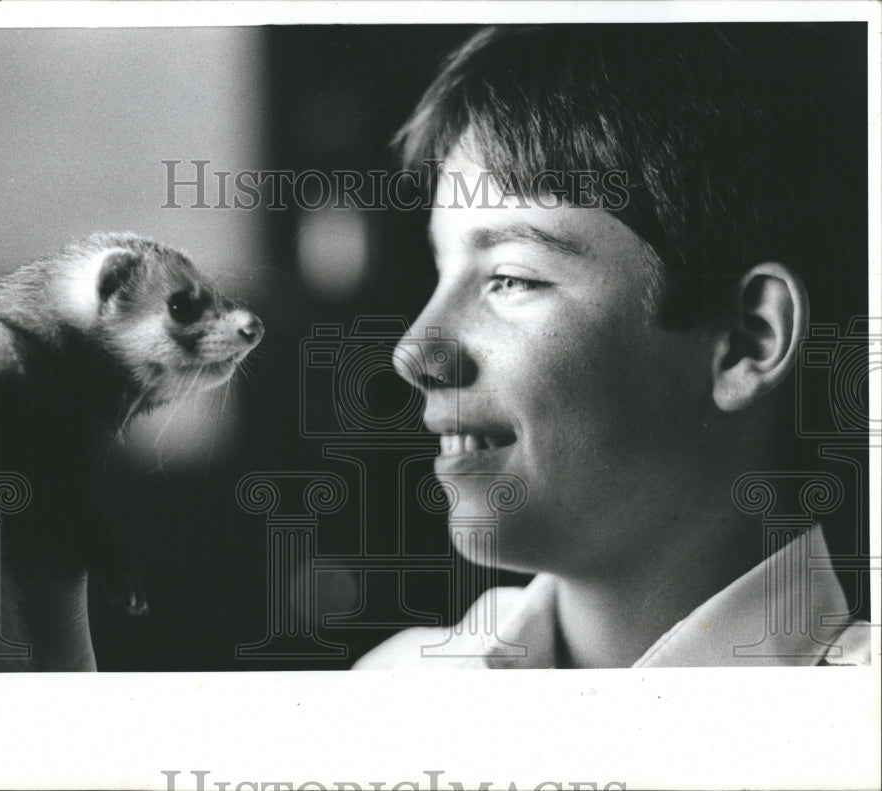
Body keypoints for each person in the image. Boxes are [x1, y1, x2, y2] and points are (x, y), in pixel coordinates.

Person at [355, 24, 871, 669]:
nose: (413, 351)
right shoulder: (396, 689)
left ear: (747, 342)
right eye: (441, 272)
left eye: (511, 278)